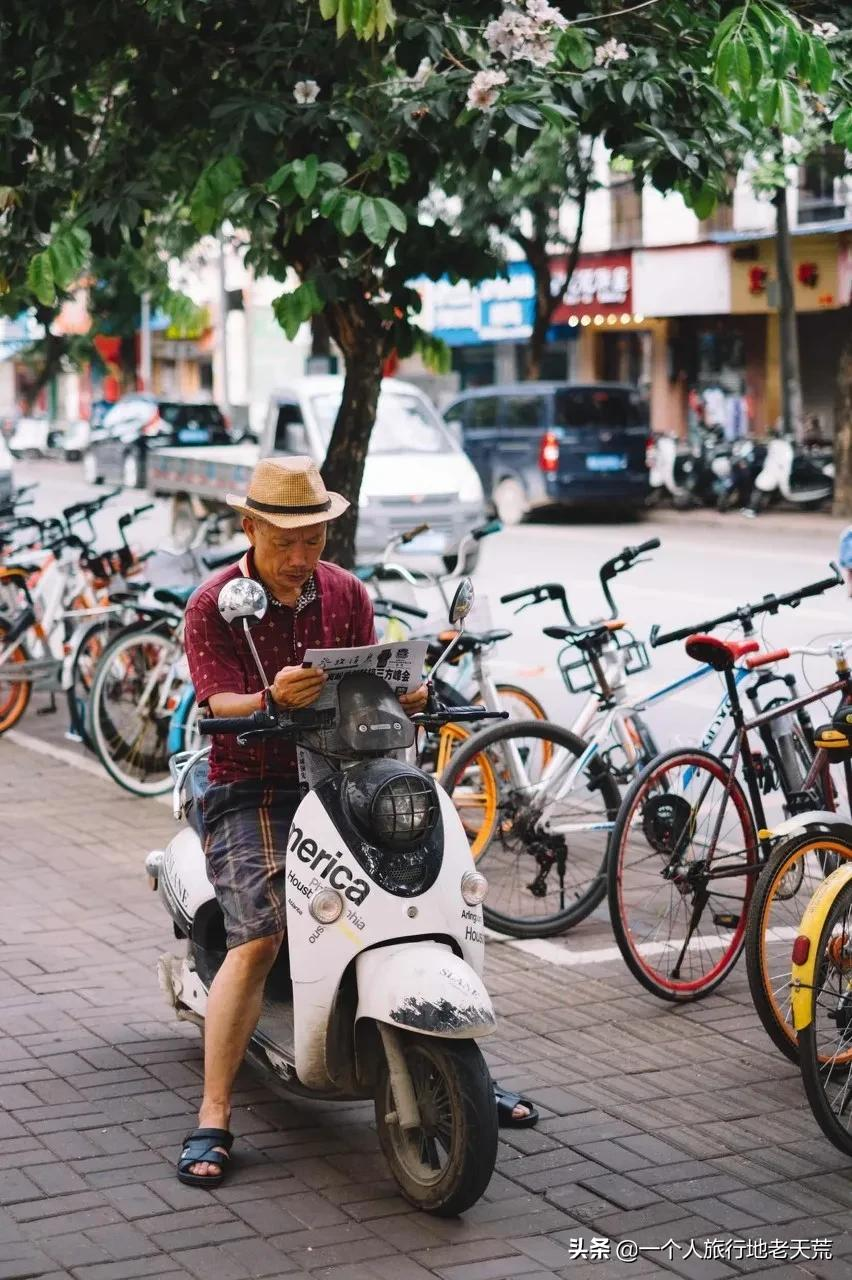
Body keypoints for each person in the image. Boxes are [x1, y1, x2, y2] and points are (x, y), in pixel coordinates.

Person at [178, 456, 534, 1188]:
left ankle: (453, 1043)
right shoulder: (213, 604)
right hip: (255, 787)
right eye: (285, 542)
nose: (301, 558)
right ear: (250, 528)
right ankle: (214, 1112)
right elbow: (214, 706)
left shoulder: (345, 592)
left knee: (434, 897)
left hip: (351, 774)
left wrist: (407, 692)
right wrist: (268, 696)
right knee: (261, 937)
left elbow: (375, 679)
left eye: (314, 539)